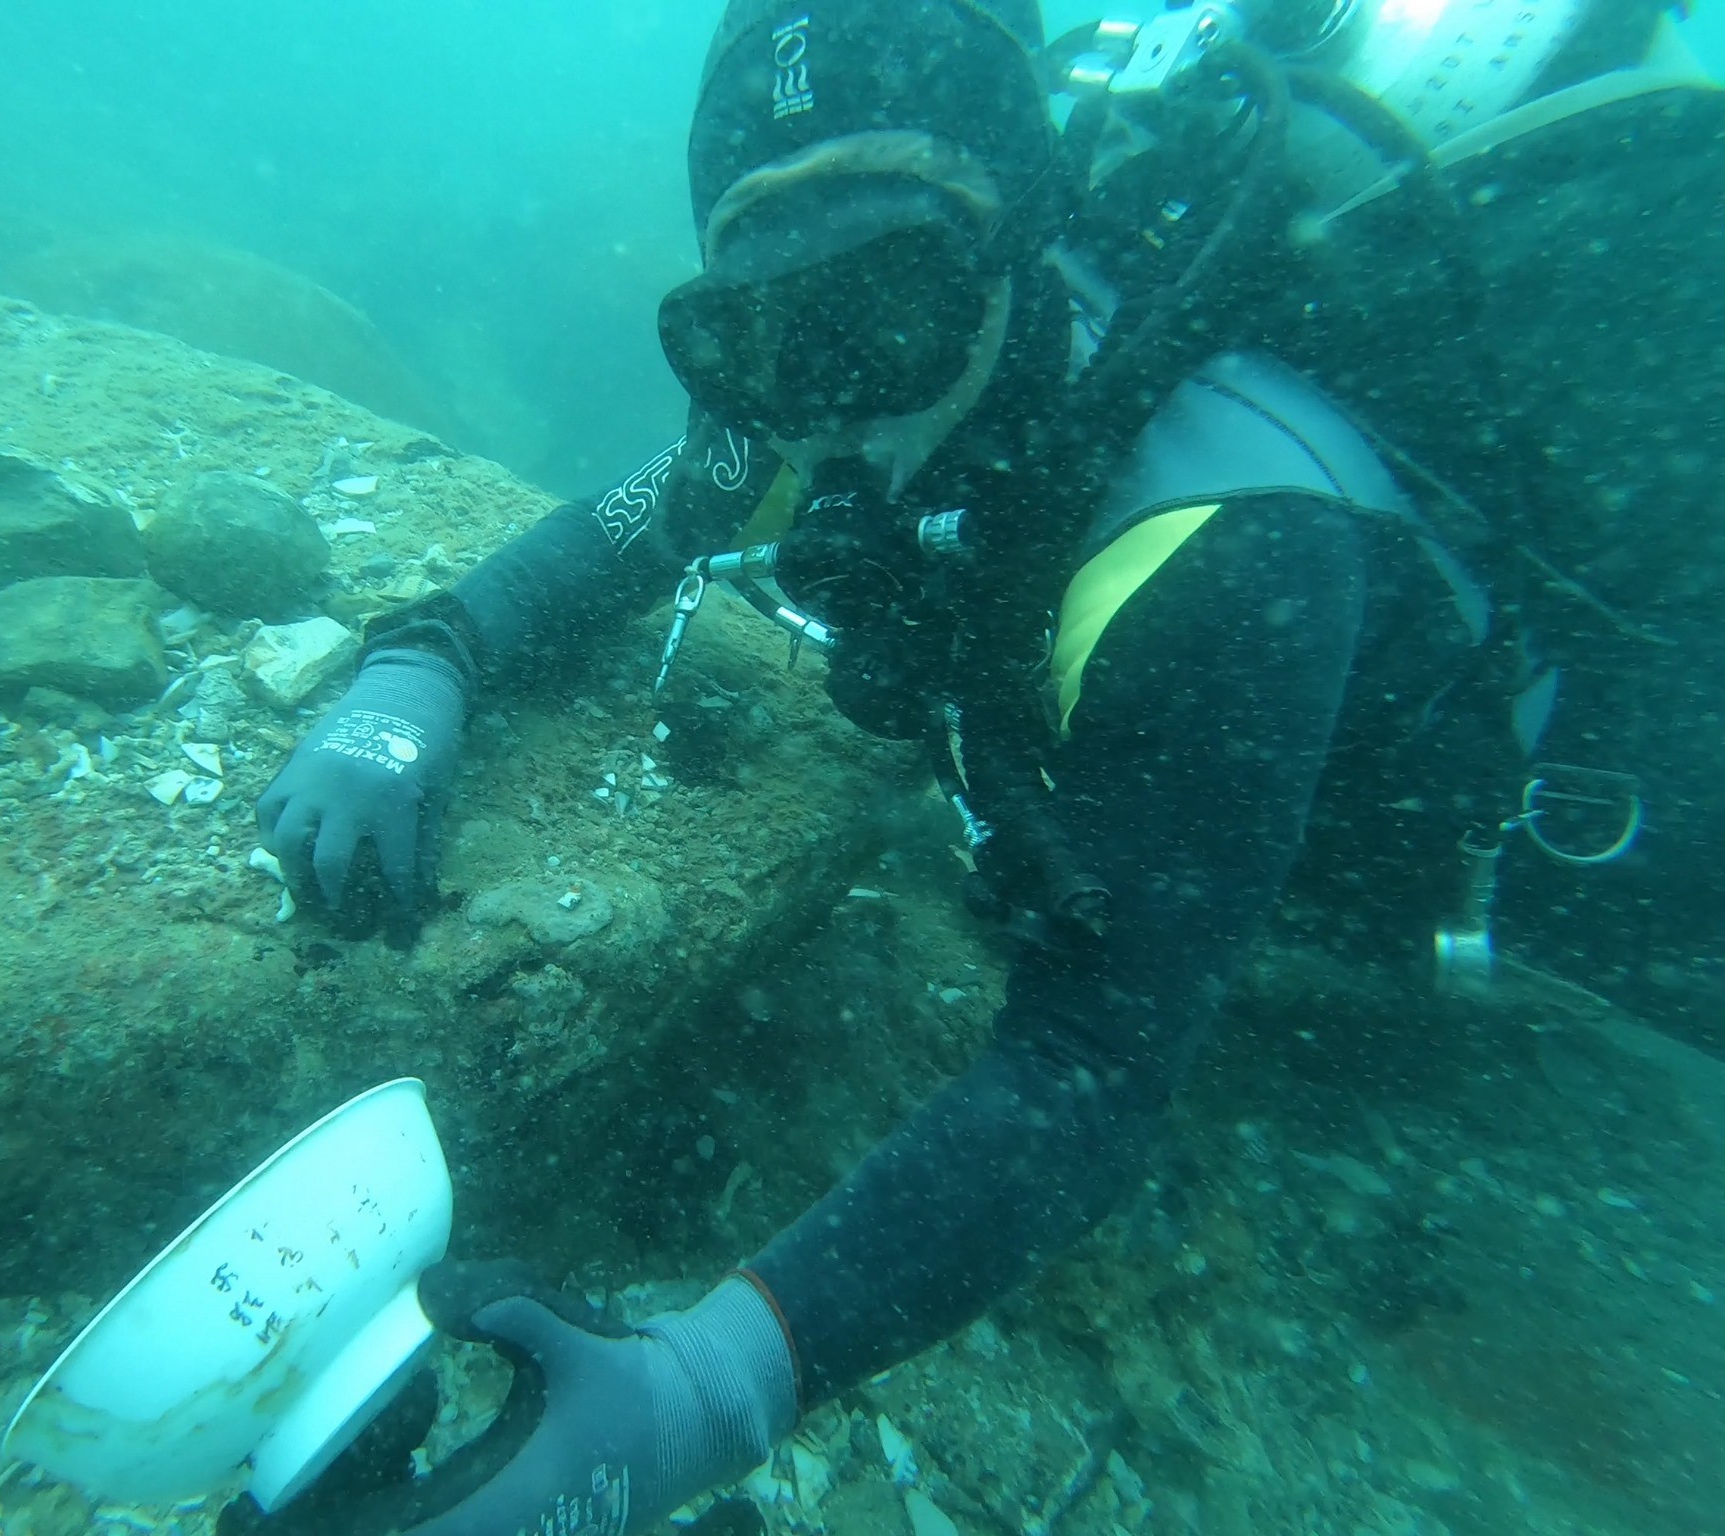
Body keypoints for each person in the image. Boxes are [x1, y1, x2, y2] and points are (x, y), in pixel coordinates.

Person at [254, 0, 1722, 1530]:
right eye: (757, 317)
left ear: (1022, 245)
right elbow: (612, 540)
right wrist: (419, 663)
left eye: (890, 303)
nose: (837, 398)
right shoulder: (812, 395)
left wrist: (706, 1385)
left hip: (1561, 839)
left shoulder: (1218, 544)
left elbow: (1091, 1067)